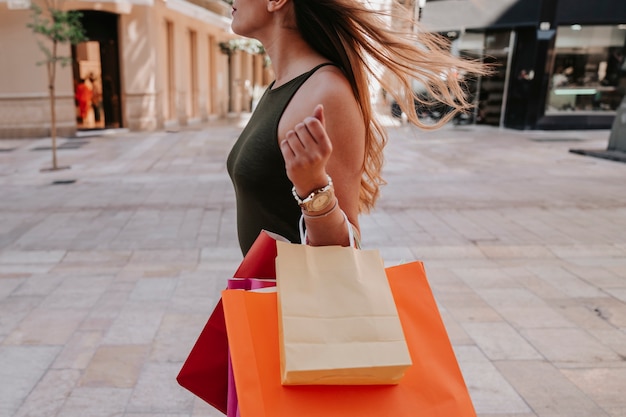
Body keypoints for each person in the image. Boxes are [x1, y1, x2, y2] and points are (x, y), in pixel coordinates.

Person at [226, 0, 486, 257]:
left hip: (297, 296)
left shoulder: (325, 92)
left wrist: (313, 187)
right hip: (261, 292)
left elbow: (346, 248)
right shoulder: (279, 87)